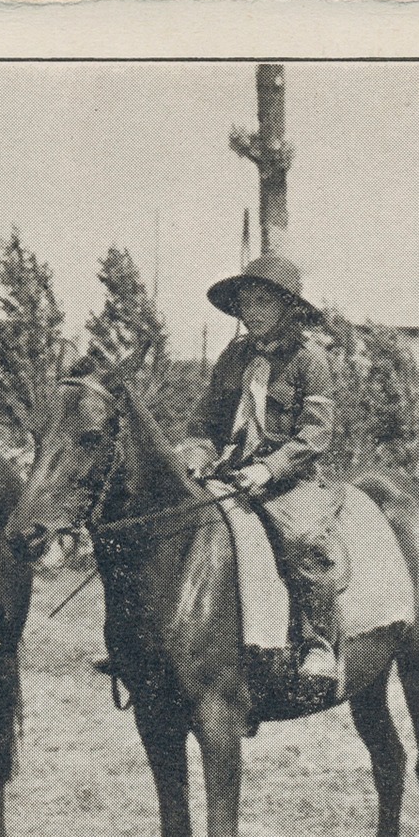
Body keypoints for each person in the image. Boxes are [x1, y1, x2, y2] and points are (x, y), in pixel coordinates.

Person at [181, 251, 342, 694]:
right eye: (245, 302)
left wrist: (269, 470)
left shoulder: (310, 360)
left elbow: (316, 435)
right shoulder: (233, 358)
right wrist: (193, 454)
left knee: (303, 539)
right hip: (228, 472)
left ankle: (317, 643)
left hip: (291, 478)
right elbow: (206, 424)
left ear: (287, 307)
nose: (250, 311)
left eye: (260, 302)